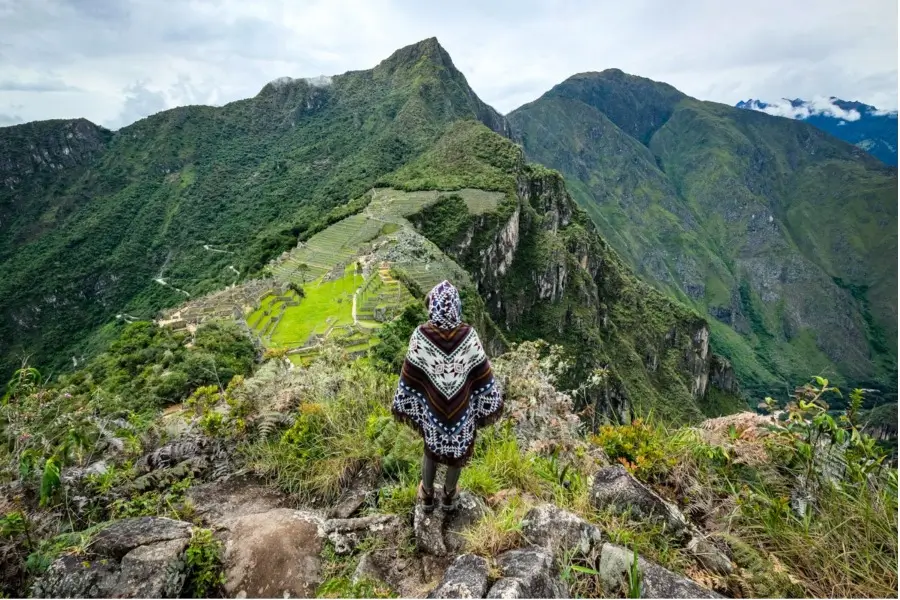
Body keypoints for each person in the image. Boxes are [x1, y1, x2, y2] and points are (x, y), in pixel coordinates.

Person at [391, 280, 504, 512]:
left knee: (431, 445)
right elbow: (481, 372)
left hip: (433, 407)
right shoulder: (468, 335)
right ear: (456, 306)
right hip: (461, 408)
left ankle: (427, 495)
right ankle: (450, 495)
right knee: (459, 448)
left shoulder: (422, 335)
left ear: (433, 306)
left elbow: (411, 374)